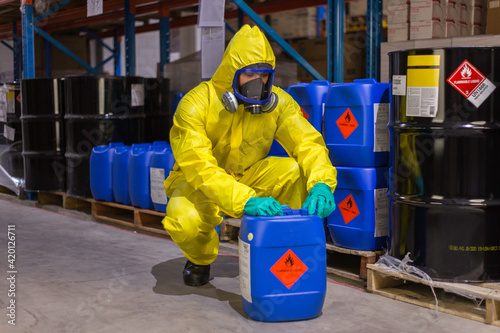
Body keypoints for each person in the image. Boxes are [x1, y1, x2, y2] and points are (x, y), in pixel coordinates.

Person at [162, 25, 337, 287]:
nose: (259, 83)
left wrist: (322, 183)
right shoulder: (195, 104)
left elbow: (308, 143)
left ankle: (281, 250)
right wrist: (245, 200)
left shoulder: (278, 103)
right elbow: (198, 166)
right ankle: (199, 258)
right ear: (232, 74)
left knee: (293, 170)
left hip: (249, 176)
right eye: (250, 74)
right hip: (198, 184)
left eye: (264, 75)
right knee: (182, 218)